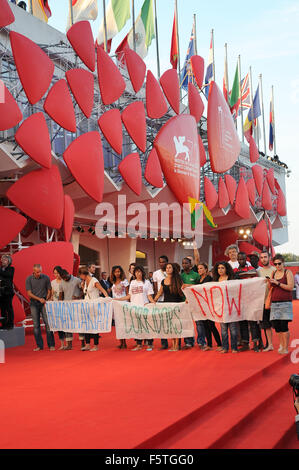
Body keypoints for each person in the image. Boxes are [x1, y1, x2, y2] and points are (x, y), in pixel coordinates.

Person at [234, 252, 261, 352]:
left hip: (251, 299)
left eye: (243, 259)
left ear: (246, 259)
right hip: (240, 300)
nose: (241, 261)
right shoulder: (235, 270)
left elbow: (256, 278)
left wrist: (241, 275)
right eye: (239, 259)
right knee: (242, 323)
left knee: (253, 322)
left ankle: (256, 344)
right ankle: (245, 343)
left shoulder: (251, 269)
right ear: (237, 260)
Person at [154, 263, 184, 352]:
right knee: (170, 326)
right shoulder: (163, 281)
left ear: (173, 269)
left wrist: (187, 300)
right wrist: (153, 301)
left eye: (169, 267)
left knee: (176, 325)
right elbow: (159, 293)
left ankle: (177, 345)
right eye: (167, 268)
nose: (168, 269)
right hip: (166, 305)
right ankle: (173, 344)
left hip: (176, 305)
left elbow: (183, 291)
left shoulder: (178, 280)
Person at [25, 264, 55, 351]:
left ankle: (51, 345)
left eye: (40, 271)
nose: (39, 273)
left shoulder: (45, 277)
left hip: (44, 303)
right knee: (36, 325)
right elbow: (29, 293)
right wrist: (39, 299)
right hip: (34, 303)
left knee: (48, 324)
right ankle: (39, 345)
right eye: (37, 272)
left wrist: (46, 298)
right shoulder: (29, 279)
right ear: (33, 271)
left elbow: (49, 290)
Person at [268, 254, 294, 354]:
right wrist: (270, 283)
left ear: (283, 263)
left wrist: (278, 283)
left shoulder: (288, 272)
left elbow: (290, 287)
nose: (277, 266)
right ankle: (281, 345)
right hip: (274, 303)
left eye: (279, 263)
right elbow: (270, 288)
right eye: (275, 264)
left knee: (284, 325)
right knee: (277, 326)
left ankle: (285, 347)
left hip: (285, 303)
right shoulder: (273, 273)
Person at [78, 267, 109, 351]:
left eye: (80, 275)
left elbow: (103, 290)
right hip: (86, 306)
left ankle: (96, 345)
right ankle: (87, 344)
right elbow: (86, 293)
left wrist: (107, 299)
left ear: (83, 274)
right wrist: (82, 287)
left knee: (95, 325)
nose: (80, 277)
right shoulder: (84, 282)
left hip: (94, 306)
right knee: (86, 325)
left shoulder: (94, 280)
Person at [212, 261, 238, 353]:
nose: (220, 270)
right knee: (223, 330)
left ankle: (234, 348)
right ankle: (225, 347)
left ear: (226, 269)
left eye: (222, 268)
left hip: (231, 307)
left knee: (233, 329)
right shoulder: (215, 280)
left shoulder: (231, 279)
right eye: (219, 268)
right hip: (221, 308)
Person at [196, 263, 222, 351]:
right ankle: (209, 345)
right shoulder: (199, 279)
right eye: (198, 269)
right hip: (202, 306)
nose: (199, 270)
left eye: (201, 268)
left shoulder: (209, 279)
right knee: (205, 325)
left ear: (206, 269)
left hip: (209, 305)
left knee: (211, 326)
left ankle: (219, 344)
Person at [129, 266, 155, 351]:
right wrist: (117, 299)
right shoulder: (132, 283)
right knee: (137, 326)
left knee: (147, 326)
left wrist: (153, 302)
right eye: (136, 272)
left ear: (142, 273)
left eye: (139, 272)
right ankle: (139, 344)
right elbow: (130, 295)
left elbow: (149, 295)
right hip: (135, 308)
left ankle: (150, 343)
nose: (138, 273)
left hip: (144, 307)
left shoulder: (147, 282)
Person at [59, 269, 83, 350]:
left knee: (79, 324)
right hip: (66, 306)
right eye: (63, 278)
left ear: (68, 274)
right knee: (67, 325)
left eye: (65, 277)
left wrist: (78, 297)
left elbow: (83, 291)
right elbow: (61, 294)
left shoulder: (77, 280)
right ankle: (69, 344)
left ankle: (83, 343)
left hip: (77, 305)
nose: (64, 279)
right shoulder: (61, 282)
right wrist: (59, 304)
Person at [180, 257, 201, 349]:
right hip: (184, 302)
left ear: (191, 264)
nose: (184, 265)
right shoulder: (181, 276)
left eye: (186, 263)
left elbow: (200, 287)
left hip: (195, 302)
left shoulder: (196, 275)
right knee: (186, 323)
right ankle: (188, 342)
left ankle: (201, 342)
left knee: (198, 323)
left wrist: (189, 285)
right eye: (183, 263)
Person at [258, 251, 276, 352]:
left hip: (275, 301)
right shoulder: (258, 272)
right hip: (263, 302)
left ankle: (283, 344)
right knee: (266, 325)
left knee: (278, 324)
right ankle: (270, 344)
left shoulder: (275, 270)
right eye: (262, 257)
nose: (263, 259)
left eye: (265, 257)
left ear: (269, 258)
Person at [111, 265, 130, 349]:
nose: (117, 273)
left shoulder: (124, 281)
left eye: (118, 271)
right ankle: (121, 341)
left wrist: (129, 304)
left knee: (123, 324)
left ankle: (124, 342)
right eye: (115, 272)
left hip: (123, 304)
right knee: (118, 324)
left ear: (121, 272)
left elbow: (128, 293)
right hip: (115, 305)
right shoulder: (113, 282)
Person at [153, 255, 168, 349]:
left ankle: (176, 342)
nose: (162, 263)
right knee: (161, 322)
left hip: (169, 299)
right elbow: (155, 287)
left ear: (167, 262)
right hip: (159, 300)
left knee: (171, 321)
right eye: (160, 262)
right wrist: (155, 299)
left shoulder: (170, 271)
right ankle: (164, 343)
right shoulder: (156, 273)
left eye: (163, 262)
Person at [50, 266, 65, 350]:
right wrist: (49, 300)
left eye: (57, 273)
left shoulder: (64, 281)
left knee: (65, 324)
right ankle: (62, 343)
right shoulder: (53, 282)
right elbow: (52, 294)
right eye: (55, 273)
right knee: (59, 325)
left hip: (64, 305)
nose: (56, 275)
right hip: (56, 306)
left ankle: (68, 342)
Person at [0, 255, 15, 330]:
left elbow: (7, 275)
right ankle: (4, 324)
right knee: (2, 309)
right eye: (2, 259)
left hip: (8, 292)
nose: (2, 261)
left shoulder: (11, 269)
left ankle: (10, 324)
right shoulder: (1, 269)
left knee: (9, 308)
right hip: (1, 292)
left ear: (8, 261)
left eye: (4, 260)